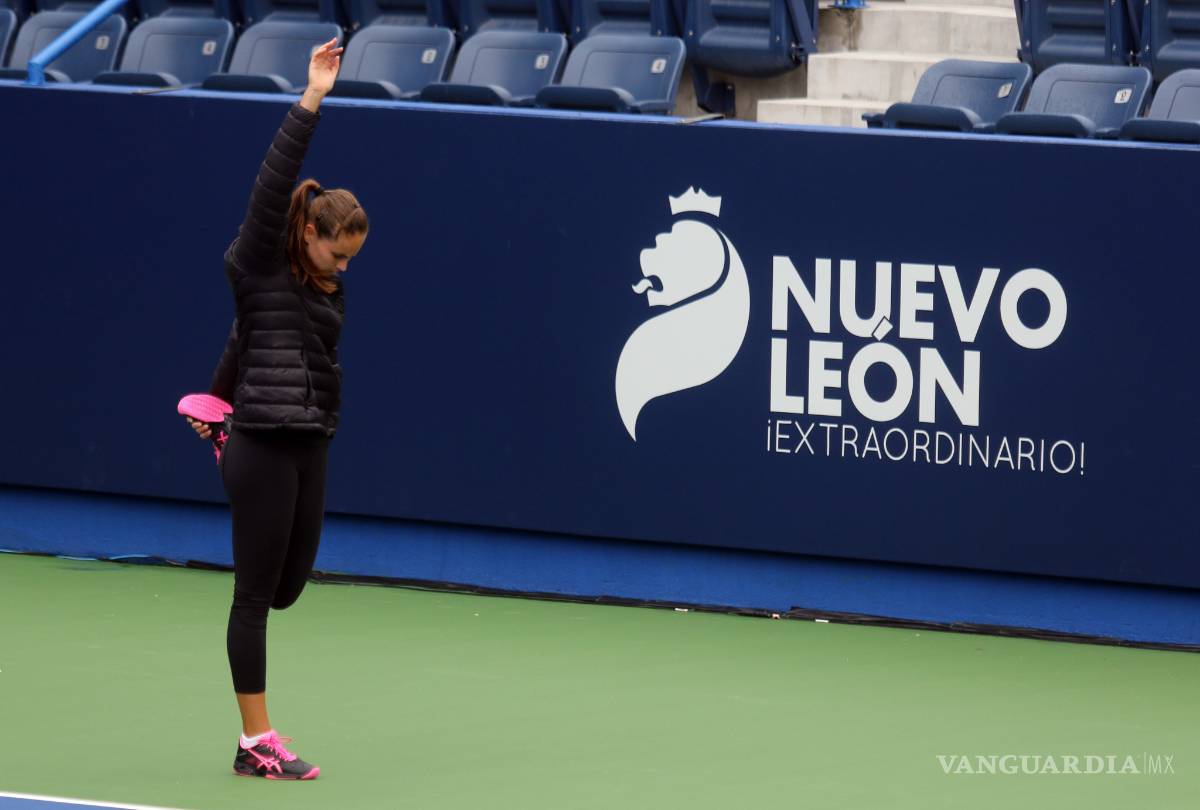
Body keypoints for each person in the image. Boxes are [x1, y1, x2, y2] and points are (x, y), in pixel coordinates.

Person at [183, 37, 368, 781]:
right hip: (260, 441)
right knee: (255, 595)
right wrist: (312, 98)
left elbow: (247, 338)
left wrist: (214, 393)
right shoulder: (259, 259)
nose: (346, 267)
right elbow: (272, 185)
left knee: (291, 586)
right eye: (338, 254)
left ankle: (254, 736)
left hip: (310, 442)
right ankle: (255, 740)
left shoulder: (325, 292)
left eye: (354, 258)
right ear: (309, 234)